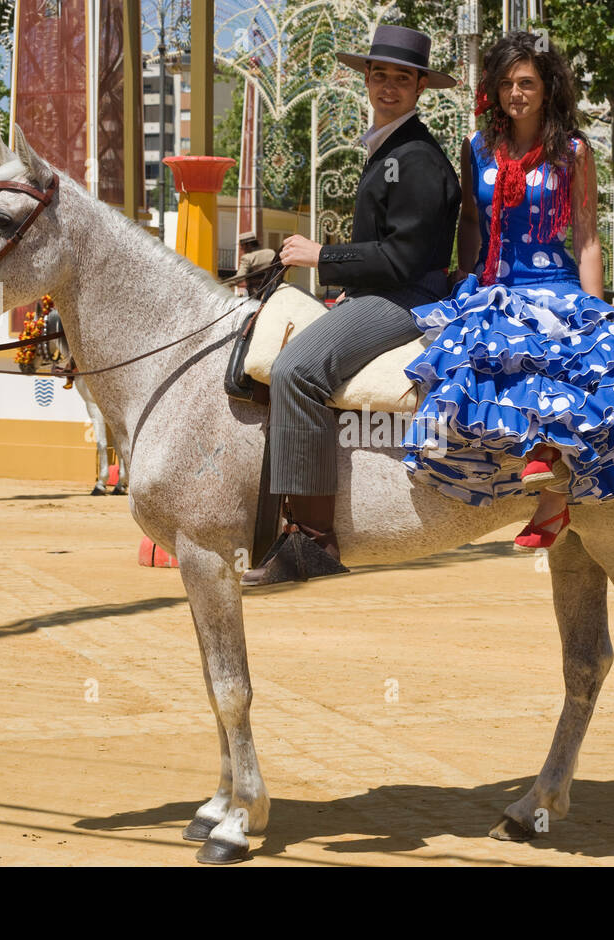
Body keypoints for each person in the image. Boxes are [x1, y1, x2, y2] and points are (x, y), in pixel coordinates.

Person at [395, 30, 614, 546]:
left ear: (547, 88)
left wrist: (598, 314)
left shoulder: (573, 152)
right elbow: (470, 218)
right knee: (462, 371)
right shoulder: (476, 148)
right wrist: (467, 273)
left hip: (555, 283)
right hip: (492, 286)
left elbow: (589, 239)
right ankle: (500, 480)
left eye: (527, 82)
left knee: (572, 363)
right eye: (506, 83)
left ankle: (554, 497)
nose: (516, 93)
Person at [239, 23, 463, 586]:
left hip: (405, 298)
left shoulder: (417, 159)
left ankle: (313, 543)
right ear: (366, 79)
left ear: (419, 87)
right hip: (374, 292)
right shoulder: (388, 147)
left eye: (402, 78)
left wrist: (323, 255)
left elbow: (402, 259)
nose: (389, 86)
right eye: (379, 74)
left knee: (297, 368)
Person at [227, 232, 277, 298]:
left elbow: (240, 277)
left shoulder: (247, 257)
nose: (241, 248)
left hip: (256, 294)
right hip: (274, 290)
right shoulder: (271, 252)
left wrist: (223, 284)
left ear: (248, 245)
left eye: (242, 245)